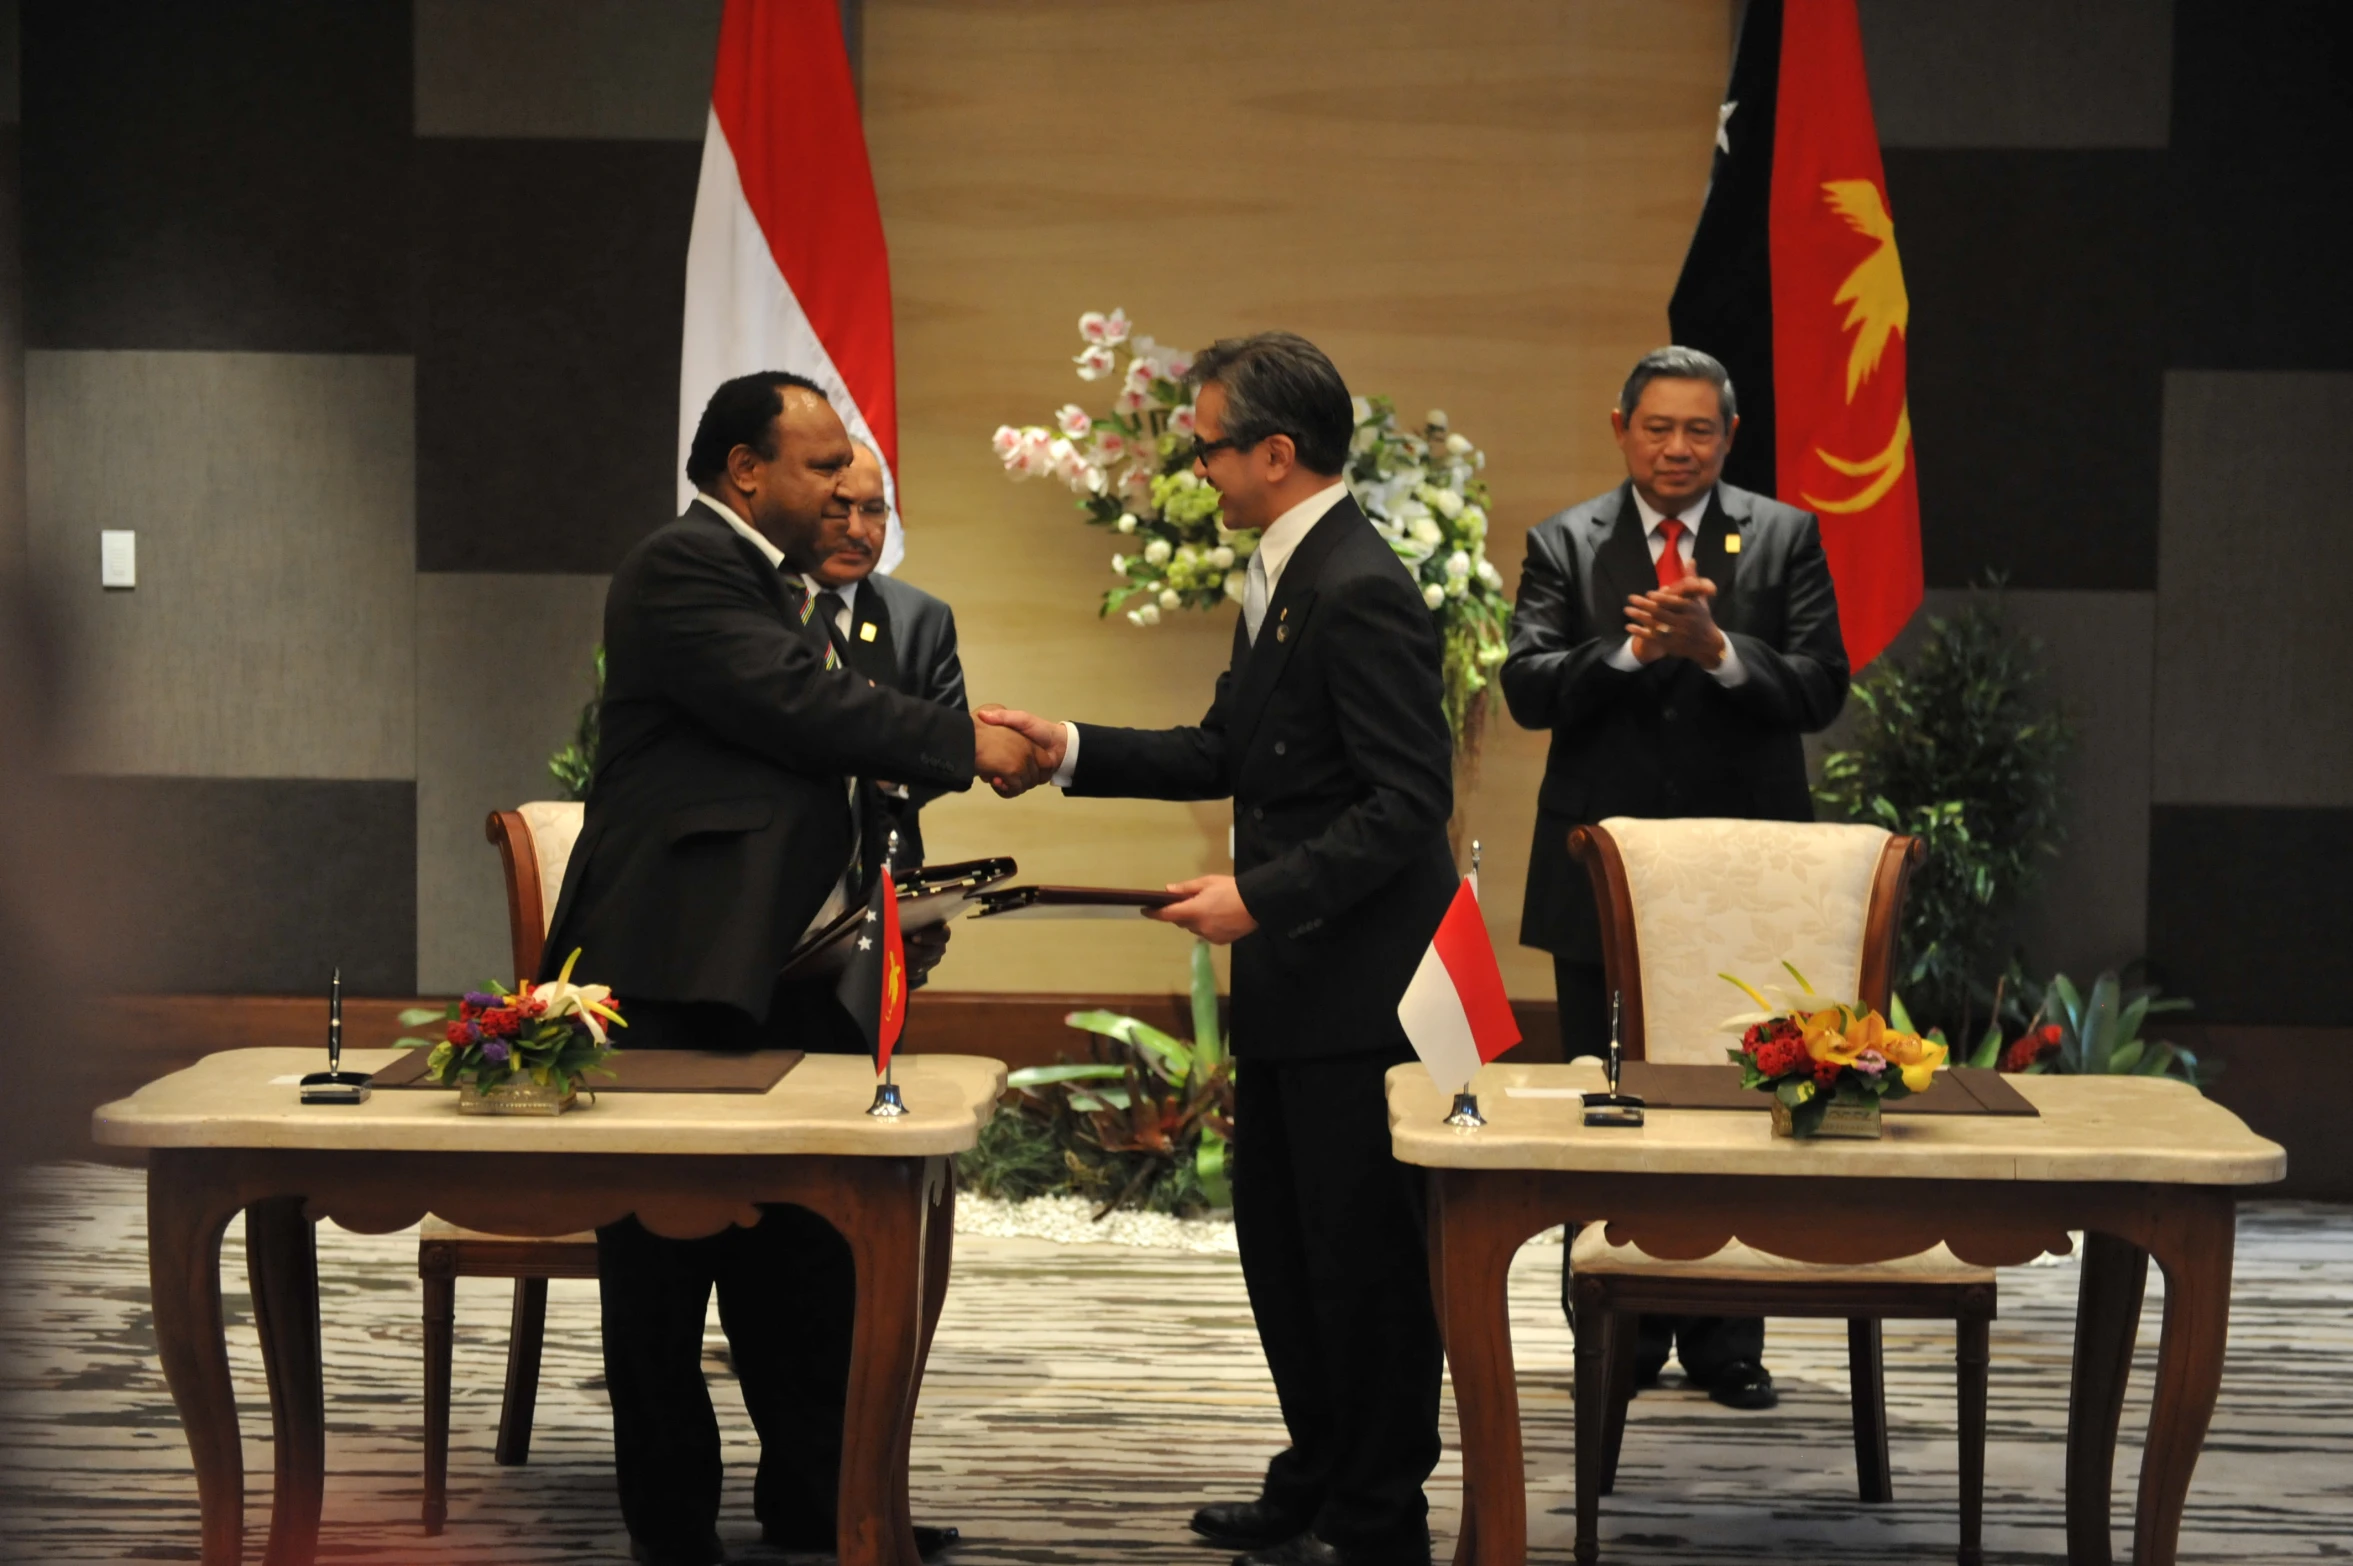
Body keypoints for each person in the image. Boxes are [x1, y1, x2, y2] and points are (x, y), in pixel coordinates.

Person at [540, 370, 1043, 1566]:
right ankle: (674, 1531)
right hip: (676, 969)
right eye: (819, 469)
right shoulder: (681, 565)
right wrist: (967, 739)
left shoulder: (776, 583)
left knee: (805, 1263)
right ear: (743, 471)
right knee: (664, 1280)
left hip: (793, 974)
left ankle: (817, 1506)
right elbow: (796, 705)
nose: (839, 496)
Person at [982, 332, 1457, 1566]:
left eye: (1208, 448)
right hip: (1302, 981)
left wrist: (1264, 896)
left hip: (1360, 995)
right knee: (1285, 1252)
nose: (1199, 469)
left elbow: (1409, 805)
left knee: (1360, 1265)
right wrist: (1069, 746)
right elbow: (1226, 752)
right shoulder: (1287, 572)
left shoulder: (1360, 587)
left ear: (1276, 452)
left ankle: (1377, 1513)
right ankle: (1317, 1472)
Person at [1500, 344, 1850, 1413]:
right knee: (1607, 1102)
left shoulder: (1784, 535)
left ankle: (1724, 1337)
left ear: (1728, 437)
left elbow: (1822, 688)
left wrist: (1717, 651)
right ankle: (1615, 1325)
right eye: (1657, 427)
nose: (1677, 447)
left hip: (1746, 879)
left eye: (1699, 430)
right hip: (1595, 874)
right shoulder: (1564, 542)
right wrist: (1626, 655)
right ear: (1621, 428)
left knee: (1740, 1099)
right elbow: (1524, 687)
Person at [808, 440, 969, 869]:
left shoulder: (922, 617)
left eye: (875, 509)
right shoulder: (761, 602)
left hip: (887, 869)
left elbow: (953, 750)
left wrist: (892, 776)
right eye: (840, 509)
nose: (858, 530)